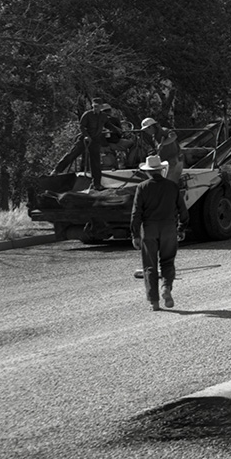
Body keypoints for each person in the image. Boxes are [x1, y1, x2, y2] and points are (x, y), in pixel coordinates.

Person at [130, 154, 190, 311]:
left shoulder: (142, 187)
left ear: (148, 172)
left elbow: (136, 213)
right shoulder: (172, 186)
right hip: (169, 228)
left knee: (149, 266)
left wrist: (135, 234)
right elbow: (182, 210)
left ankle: (154, 302)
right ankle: (166, 287)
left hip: (149, 229)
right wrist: (181, 228)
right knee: (168, 261)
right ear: (162, 170)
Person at [53, 98, 117, 190]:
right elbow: (82, 126)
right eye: (94, 106)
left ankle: (97, 184)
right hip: (84, 139)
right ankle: (57, 170)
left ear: (101, 107)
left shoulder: (103, 116)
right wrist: (86, 136)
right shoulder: (87, 115)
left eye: (97, 107)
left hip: (95, 141)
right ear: (92, 106)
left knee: (95, 163)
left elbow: (108, 125)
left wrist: (117, 130)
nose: (95, 108)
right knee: (72, 154)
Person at [139, 117, 184, 182]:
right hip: (167, 163)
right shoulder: (154, 137)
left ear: (151, 127)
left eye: (146, 130)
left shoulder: (164, 131)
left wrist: (163, 144)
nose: (146, 132)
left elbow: (174, 136)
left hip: (174, 161)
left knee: (170, 182)